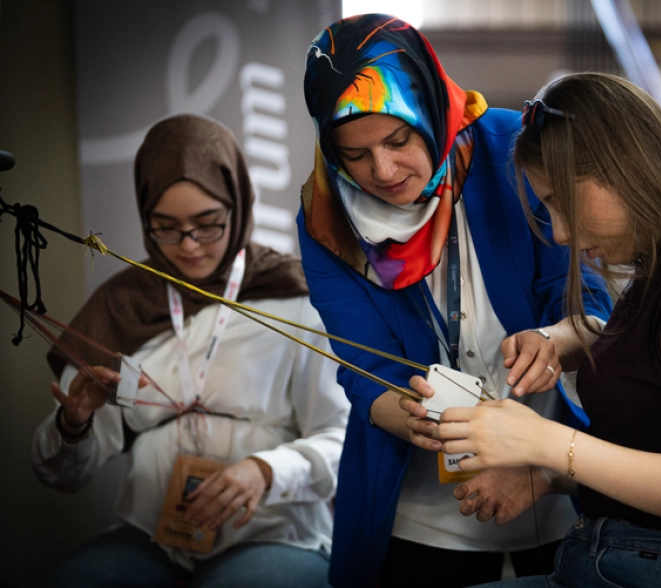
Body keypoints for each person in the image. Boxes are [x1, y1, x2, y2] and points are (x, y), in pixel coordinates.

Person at [430, 72, 661, 587]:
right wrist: (546, 476)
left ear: (621, 170)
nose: (560, 232)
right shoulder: (658, 287)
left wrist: (545, 441)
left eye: (562, 202)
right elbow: (656, 449)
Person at [297, 13, 613, 588]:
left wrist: (552, 341)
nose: (384, 171)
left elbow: (593, 310)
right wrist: (445, 425)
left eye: (398, 139)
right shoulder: (327, 218)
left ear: (432, 110)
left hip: (557, 488)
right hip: (419, 518)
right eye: (356, 154)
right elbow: (365, 370)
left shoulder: (517, 150)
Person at [32, 114, 349, 588]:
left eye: (207, 225)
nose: (188, 246)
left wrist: (266, 470)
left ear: (237, 206)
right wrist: (73, 427)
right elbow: (63, 476)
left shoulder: (296, 297)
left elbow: (341, 436)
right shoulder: (122, 306)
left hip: (271, 532)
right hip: (151, 537)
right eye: (166, 228)